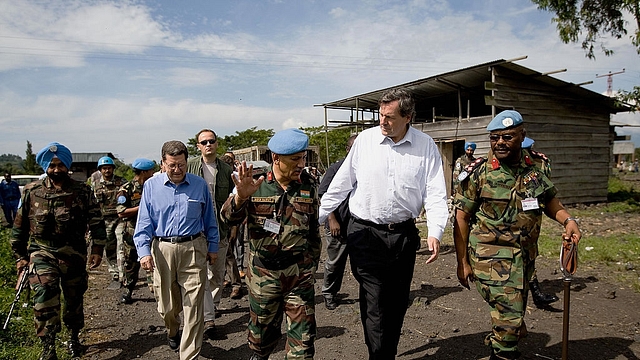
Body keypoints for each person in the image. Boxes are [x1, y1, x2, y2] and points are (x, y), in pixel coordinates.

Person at [319, 88, 449, 359]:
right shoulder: (365, 142)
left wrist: (435, 231)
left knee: (398, 300)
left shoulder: (425, 146)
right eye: (380, 115)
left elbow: (436, 193)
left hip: (403, 236)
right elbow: (341, 185)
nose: (382, 121)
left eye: (389, 117)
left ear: (408, 117)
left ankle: (385, 350)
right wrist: (319, 217)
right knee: (375, 300)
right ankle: (380, 355)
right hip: (365, 235)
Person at [453, 110, 582, 360]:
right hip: (490, 256)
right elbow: (461, 218)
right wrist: (462, 262)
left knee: (513, 319)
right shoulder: (478, 172)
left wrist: (568, 220)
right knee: (510, 321)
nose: (500, 142)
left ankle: (501, 343)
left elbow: (549, 200)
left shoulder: (538, 164)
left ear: (522, 136)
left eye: (507, 136)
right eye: (495, 137)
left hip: (524, 258)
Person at [221, 128, 321, 360]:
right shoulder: (254, 183)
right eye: (295, 159)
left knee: (303, 346)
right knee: (261, 340)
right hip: (264, 275)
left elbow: (314, 232)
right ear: (276, 158)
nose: (301, 164)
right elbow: (227, 219)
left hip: (299, 275)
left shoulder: (308, 185)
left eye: (303, 157)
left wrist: (310, 265)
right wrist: (241, 197)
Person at [11, 142, 107, 360]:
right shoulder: (31, 192)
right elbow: (19, 226)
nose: (56, 169)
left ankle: (74, 338)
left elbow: (96, 221)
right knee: (45, 294)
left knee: (74, 298)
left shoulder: (82, 191)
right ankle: (48, 346)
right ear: (46, 166)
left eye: (60, 165)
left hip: (74, 254)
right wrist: (20, 257)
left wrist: (98, 249)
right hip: (42, 252)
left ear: (67, 165)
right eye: (52, 165)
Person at [134, 140, 219, 360]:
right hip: (162, 249)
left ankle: (188, 354)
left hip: (193, 249)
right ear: (162, 163)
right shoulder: (151, 187)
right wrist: (143, 252)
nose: (177, 170)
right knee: (167, 306)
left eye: (181, 164)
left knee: (194, 305)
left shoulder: (199, 185)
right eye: (172, 165)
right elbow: (143, 222)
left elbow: (210, 219)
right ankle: (172, 328)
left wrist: (213, 247)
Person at [186, 129, 238, 339]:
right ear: (198, 146)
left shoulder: (226, 170)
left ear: (217, 144)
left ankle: (213, 305)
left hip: (220, 229)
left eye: (211, 141)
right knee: (201, 275)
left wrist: (234, 225)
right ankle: (208, 317)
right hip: (195, 230)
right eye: (203, 142)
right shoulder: (189, 167)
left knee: (217, 274)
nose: (208, 144)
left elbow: (235, 198)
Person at [520, 136, 561, 307]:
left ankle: (534, 292)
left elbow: (546, 190)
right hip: (513, 216)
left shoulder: (540, 162)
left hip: (533, 214)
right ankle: (531, 292)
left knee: (530, 252)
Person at [318, 133, 357, 310]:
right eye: (355, 148)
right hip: (338, 224)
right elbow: (323, 194)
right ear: (348, 149)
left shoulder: (365, 169)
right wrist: (332, 219)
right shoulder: (336, 169)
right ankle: (329, 293)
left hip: (358, 226)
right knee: (335, 262)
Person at [115, 158, 156, 304]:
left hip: (152, 231)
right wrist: (143, 207)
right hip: (132, 231)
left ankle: (156, 290)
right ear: (144, 172)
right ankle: (128, 290)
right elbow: (121, 212)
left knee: (153, 261)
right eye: (151, 171)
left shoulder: (154, 186)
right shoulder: (126, 189)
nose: (153, 173)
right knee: (131, 263)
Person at [92, 156, 125, 288]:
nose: (107, 171)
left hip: (119, 219)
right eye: (104, 168)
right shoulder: (95, 185)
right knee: (109, 247)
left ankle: (123, 274)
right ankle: (114, 273)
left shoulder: (121, 182)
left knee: (121, 245)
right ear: (100, 170)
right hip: (104, 220)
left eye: (109, 168)